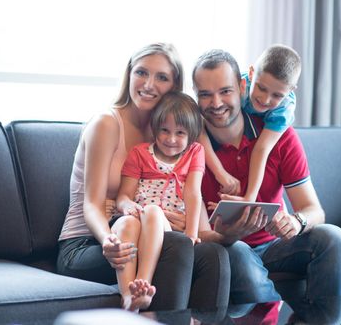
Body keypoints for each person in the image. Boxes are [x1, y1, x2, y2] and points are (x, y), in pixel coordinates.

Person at [56, 43, 229, 311]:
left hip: (143, 231)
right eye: (141, 73)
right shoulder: (106, 123)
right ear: (129, 75)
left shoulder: (164, 135)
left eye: (161, 77)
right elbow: (91, 204)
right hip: (88, 243)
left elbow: (189, 192)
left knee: (212, 254)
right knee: (176, 248)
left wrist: (200, 229)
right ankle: (143, 311)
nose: (148, 84)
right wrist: (107, 241)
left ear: (174, 86)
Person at [192, 48, 341, 303]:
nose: (217, 103)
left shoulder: (281, 134)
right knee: (238, 252)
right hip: (227, 246)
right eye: (206, 95)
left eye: (225, 92)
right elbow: (199, 235)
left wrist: (297, 222)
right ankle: (270, 304)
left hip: (274, 246)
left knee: (333, 238)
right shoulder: (189, 145)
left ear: (241, 86)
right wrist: (229, 235)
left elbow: (314, 211)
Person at [115, 92, 205, 310]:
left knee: (153, 212)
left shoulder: (194, 152)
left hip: (163, 224)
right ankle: (128, 295)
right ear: (155, 128)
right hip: (137, 217)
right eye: (165, 130)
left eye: (180, 133)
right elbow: (124, 195)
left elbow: (193, 193)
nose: (171, 139)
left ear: (191, 135)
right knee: (126, 223)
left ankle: (142, 285)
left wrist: (192, 234)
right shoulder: (140, 153)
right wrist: (127, 205)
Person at [199, 44, 298, 201]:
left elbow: (261, 149)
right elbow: (199, 121)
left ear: (291, 90)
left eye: (277, 95)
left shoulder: (283, 111)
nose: (265, 100)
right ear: (251, 74)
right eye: (261, 88)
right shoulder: (238, 87)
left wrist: (249, 198)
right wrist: (220, 172)